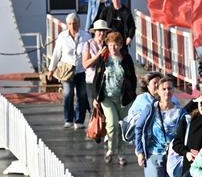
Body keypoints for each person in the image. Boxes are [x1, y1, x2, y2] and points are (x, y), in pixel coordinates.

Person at [92, 31, 137, 165]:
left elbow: (132, 78)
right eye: (110, 45)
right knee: (112, 123)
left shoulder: (126, 58)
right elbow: (97, 78)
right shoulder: (104, 58)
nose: (113, 48)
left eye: (115, 45)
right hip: (107, 97)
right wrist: (95, 97)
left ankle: (121, 154)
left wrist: (131, 94)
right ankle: (110, 150)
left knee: (122, 126)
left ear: (121, 45)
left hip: (123, 98)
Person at [47, 12, 91, 129]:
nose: (72, 26)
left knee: (82, 95)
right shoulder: (62, 37)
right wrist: (51, 70)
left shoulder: (86, 36)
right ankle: (68, 119)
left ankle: (79, 120)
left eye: (75, 23)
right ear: (67, 24)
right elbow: (56, 54)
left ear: (79, 24)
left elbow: (90, 53)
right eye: (70, 24)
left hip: (81, 70)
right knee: (68, 94)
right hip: (67, 70)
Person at [81, 19, 110, 108]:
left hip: (107, 81)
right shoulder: (88, 44)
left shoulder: (109, 44)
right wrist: (98, 55)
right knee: (94, 110)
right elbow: (85, 64)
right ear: (95, 32)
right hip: (92, 81)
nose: (102, 33)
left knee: (106, 110)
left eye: (104, 31)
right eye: (99, 31)